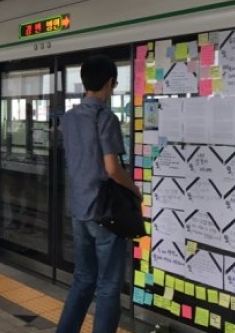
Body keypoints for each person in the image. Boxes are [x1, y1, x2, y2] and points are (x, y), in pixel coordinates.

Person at [56, 55, 141, 333]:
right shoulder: (106, 118)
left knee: (83, 278)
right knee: (108, 285)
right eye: (114, 85)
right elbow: (112, 169)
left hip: (79, 210)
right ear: (109, 83)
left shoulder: (68, 118)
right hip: (105, 213)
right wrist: (134, 189)